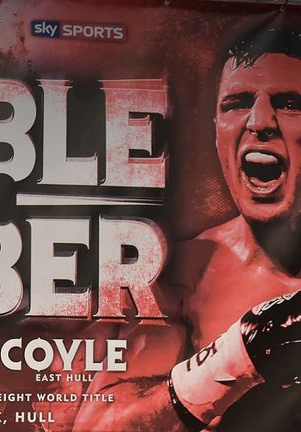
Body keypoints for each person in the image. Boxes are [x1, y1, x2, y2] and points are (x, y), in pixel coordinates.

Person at [74, 26, 301, 431]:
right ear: (217, 128)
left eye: (289, 104)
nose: (259, 122)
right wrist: (237, 357)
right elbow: (98, 425)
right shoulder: (183, 275)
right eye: (237, 103)